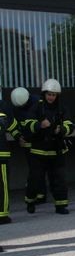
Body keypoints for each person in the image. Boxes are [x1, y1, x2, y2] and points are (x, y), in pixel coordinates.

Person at [23, 79, 73, 214]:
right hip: (38, 150)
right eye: (49, 94)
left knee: (59, 179)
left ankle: (61, 205)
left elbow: (69, 125)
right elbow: (27, 124)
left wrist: (61, 130)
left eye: (54, 95)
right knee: (35, 179)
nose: (51, 97)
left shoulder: (62, 108)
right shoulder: (37, 107)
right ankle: (30, 201)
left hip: (56, 150)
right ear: (44, 94)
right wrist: (39, 125)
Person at [10, 87, 46, 205]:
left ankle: (41, 194)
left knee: (39, 168)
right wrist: (18, 136)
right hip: (27, 142)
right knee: (34, 169)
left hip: (39, 141)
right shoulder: (16, 106)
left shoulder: (38, 103)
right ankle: (37, 193)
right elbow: (14, 124)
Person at [0, 97, 22, 229]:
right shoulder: (2, 105)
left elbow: (12, 124)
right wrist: (18, 136)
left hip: (1, 153)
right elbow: (11, 124)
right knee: (2, 186)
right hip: (1, 153)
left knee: (2, 186)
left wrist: (19, 136)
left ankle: (2, 214)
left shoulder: (3, 105)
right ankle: (2, 215)